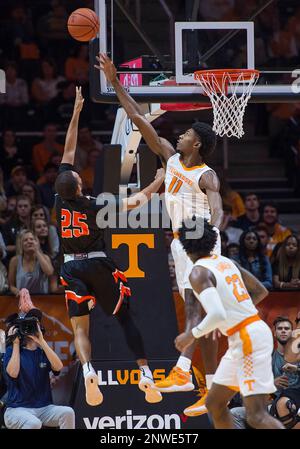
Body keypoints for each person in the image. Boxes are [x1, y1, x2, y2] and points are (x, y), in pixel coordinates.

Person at [96, 53, 223, 416]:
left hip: (201, 242)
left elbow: (217, 206)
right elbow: (137, 117)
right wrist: (115, 80)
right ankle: (209, 386)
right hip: (182, 244)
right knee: (198, 313)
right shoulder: (169, 159)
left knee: (197, 310)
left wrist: (209, 235)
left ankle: (184, 372)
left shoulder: (206, 175)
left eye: (186, 134)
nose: (179, 135)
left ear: (196, 144)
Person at [55, 87, 165, 407]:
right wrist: (158, 179)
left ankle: (88, 369)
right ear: (78, 185)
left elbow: (67, 151)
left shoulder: (59, 199)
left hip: (70, 266)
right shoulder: (92, 205)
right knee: (125, 319)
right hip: (98, 265)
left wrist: (75, 113)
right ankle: (145, 374)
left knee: (80, 328)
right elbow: (134, 202)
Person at [175, 218, 284, 428]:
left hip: (247, 337)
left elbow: (217, 315)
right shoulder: (226, 262)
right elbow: (261, 291)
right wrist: (236, 311)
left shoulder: (198, 272)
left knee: (257, 416)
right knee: (215, 404)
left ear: (186, 248)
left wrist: (190, 334)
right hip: (246, 335)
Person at [3, 308, 75, 429]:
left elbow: (58, 367)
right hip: (16, 410)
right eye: (27, 326)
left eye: (34, 326)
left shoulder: (43, 352)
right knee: (33, 423)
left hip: (44, 408)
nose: (30, 329)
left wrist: (41, 341)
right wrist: (15, 343)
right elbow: (13, 373)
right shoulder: (12, 351)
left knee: (67, 413)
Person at [269, 316, 300, 429]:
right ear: (274, 333)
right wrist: (272, 383)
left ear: (292, 333)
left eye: (287, 329)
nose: (283, 331)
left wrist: (296, 369)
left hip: (297, 397)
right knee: (235, 413)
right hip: (276, 401)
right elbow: (255, 385)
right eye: (280, 328)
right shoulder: (268, 357)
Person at [8, 230, 55, 296]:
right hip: (23, 299)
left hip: (42, 299)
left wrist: (37, 251)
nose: (29, 241)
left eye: (32, 239)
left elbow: (49, 272)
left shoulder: (45, 257)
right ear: (21, 244)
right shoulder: (14, 261)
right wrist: (16, 291)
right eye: (25, 240)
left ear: (37, 242)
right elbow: (11, 285)